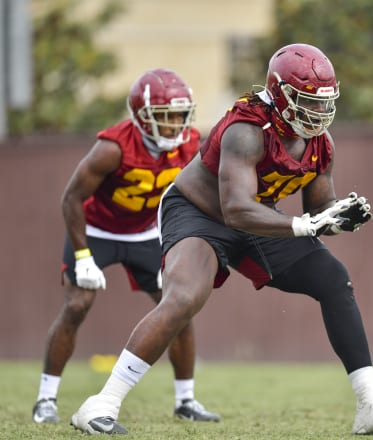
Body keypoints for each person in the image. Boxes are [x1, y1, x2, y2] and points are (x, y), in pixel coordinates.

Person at [69, 43, 373, 435]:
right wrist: (302, 226)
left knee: (334, 279)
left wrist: (337, 219)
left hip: (255, 217)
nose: (319, 113)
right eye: (308, 101)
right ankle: (101, 403)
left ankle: (372, 405)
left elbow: (320, 205)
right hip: (199, 212)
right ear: (280, 95)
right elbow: (235, 208)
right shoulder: (247, 129)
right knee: (185, 297)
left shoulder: (322, 143)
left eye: (324, 103)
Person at [32, 68, 220, 424]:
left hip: (147, 233)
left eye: (181, 115)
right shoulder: (112, 147)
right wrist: (84, 255)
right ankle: (46, 399)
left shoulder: (191, 143)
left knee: (179, 307)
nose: (176, 125)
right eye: (166, 117)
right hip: (97, 230)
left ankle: (186, 400)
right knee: (77, 305)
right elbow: (71, 198)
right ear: (141, 117)